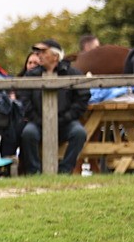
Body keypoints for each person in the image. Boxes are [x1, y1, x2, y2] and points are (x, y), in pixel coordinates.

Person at [17, 39, 89, 174]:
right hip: (38, 122)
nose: (39, 55)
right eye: (38, 52)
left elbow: (82, 98)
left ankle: (65, 170)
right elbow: (24, 99)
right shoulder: (31, 75)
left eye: (44, 52)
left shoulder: (72, 73)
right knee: (28, 134)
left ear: (55, 56)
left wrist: (66, 117)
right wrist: (38, 119)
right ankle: (35, 172)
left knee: (79, 133)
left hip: (65, 122)